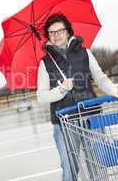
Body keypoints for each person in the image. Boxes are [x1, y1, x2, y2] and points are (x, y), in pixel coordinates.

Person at [37, 13, 118, 181]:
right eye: (52, 32)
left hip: (91, 118)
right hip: (64, 123)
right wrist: (61, 90)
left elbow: (101, 79)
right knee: (69, 168)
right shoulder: (45, 63)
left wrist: (115, 91)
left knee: (97, 165)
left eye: (60, 30)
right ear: (48, 37)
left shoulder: (84, 53)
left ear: (68, 32)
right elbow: (41, 96)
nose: (56, 35)